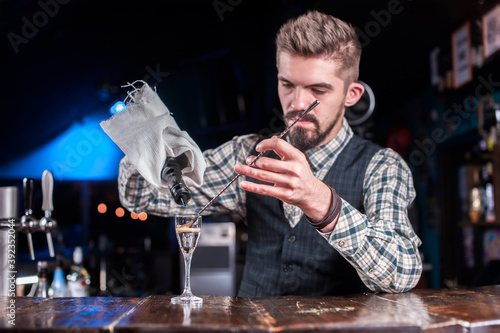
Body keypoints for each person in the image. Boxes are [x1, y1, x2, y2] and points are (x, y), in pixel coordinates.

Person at [117, 10, 422, 296]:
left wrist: (321, 201)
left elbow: (402, 274)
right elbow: (139, 195)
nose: (298, 103)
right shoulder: (247, 154)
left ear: (350, 94)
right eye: (287, 84)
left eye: (318, 90)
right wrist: (149, 142)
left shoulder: (381, 166)